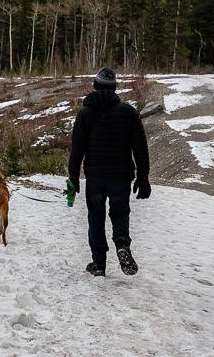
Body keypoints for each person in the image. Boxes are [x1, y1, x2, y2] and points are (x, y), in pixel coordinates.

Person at [68, 67, 150, 276]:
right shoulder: (128, 112)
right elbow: (140, 147)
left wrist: (73, 178)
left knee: (95, 218)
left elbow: (77, 149)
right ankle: (122, 244)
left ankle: (99, 265)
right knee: (120, 214)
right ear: (114, 88)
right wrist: (143, 177)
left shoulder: (85, 114)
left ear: (95, 86)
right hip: (121, 177)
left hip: (95, 177)